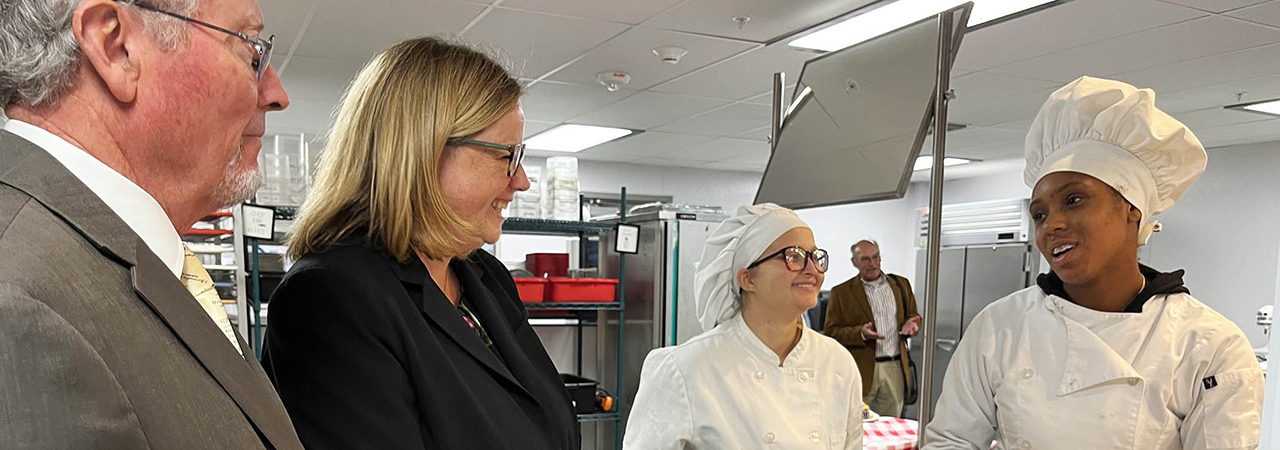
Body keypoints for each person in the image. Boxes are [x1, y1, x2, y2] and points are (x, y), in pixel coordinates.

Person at [0, 0, 300, 447]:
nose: (275, 92)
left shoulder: (98, 260)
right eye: (251, 52)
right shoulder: (23, 304)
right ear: (115, 47)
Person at [260, 36, 579, 450]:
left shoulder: (485, 277)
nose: (521, 181)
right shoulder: (330, 298)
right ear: (424, 151)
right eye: (507, 157)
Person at [923, 76, 1264, 449]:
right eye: (1039, 214)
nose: (1051, 224)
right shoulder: (1001, 326)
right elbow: (950, 440)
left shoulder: (1206, 344)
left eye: (1073, 200)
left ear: (1132, 210)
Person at [624, 204, 864, 449]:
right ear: (747, 279)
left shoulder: (837, 363)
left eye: (815, 257)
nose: (812, 269)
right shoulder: (685, 369)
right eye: (793, 256)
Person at [824, 239, 920, 418]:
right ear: (854, 262)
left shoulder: (901, 285)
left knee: (892, 423)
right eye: (865, 259)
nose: (872, 264)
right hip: (860, 368)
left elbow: (914, 317)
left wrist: (912, 326)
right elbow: (831, 332)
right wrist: (860, 333)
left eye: (876, 257)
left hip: (894, 367)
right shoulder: (841, 293)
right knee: (853, 423)